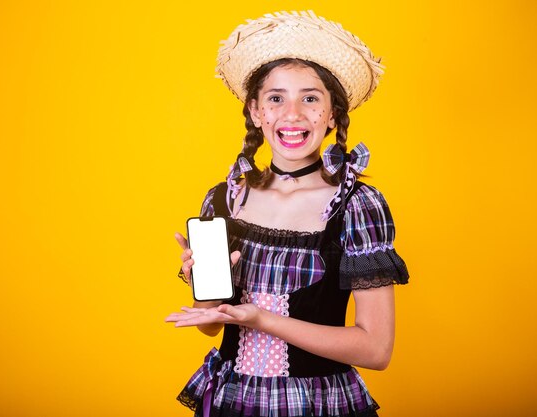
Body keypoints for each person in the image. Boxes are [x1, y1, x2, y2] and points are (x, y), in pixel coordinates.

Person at [165, 10, 409, 417]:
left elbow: (376, 350)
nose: (292, 114)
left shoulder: (357, 206)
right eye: (276, 98)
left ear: (332, 115)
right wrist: (205, 290)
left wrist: (262, 319)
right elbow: (211, 324)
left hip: (316, 402)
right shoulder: (225, 199)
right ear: (256, 111)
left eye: (310, 98)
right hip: (232, 398)